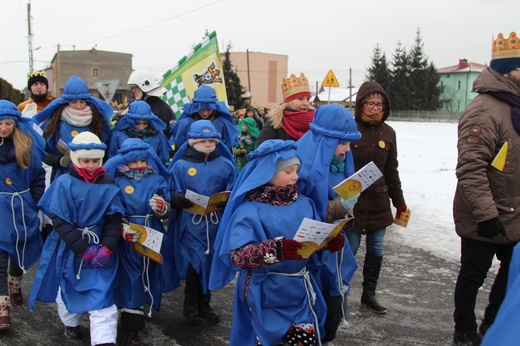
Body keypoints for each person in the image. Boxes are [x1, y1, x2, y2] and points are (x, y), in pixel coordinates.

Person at [210, 140, 346, 345]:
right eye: (288, 171)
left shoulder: (305, 203)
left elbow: (309, 243)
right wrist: (277, 250)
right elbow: (237, 256)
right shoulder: (249, 210)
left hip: (299, 290)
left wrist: (327, 242)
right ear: (266, 173)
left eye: (297, 170)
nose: (296, 176)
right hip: (263, 293)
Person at [452, 31, 520, 346]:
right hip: (485, 213)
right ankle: (464, 331)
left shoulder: (514, 105)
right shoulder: (484, 110)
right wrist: (486, 214)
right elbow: (470, 168)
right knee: (473, 276)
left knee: (512, 275)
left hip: (515, 212)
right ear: (509, 70)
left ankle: (492, 327)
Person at [29, 131, 123, 346]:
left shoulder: (108, 183)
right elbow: (61, 222)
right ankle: (71, 322)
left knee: (103, 294)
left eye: (95, 161)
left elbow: (114, 219)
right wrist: (82, 249)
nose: (91, 165)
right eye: (85, 160)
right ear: (75, 159)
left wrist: (107, 248)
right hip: (71, 249)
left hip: (100, 247)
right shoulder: (63, 183)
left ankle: (104, 340)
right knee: (69, 288)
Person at [295, 104, 361, 343]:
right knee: (312, 316)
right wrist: (335, 208)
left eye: (349, 144)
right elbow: (295, 210)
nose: (346, 150)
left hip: (332, 251)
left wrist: (347, 209)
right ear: (325, 139)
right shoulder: (301, 165)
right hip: (308, 257)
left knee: (330, 318)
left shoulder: (339, 162)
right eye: (342, 143)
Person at [104, 138, 179, 345]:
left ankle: (144, 305)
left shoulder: (156, 180)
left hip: (152, 232)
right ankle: (131, 326)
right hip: (129, 235)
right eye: (134, 162)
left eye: (143, 161)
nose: (139, 166)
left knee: (151, 270)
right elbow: (112, 209)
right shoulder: (116, 182)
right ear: (124, 162)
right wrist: (121, 227)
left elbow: (166, 207)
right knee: (130, 276)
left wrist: (162, 208)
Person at [345, 81, 407, 316]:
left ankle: (369, 294)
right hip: (353, 202)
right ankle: (340, 292)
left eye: (379, 103)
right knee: (349, 250)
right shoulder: (350, 129)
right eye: (370, 103)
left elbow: (392, 170)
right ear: (361, 104)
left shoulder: (389, 133)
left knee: (377, 249)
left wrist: (399, 203)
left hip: (379, 202)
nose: (375, 107)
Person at [168, 120, 238, 324]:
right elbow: (170, 189)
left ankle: (205, 303)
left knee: (209, 264)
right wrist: (177, 198)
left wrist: (227, 201)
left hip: (215, 225)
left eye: (211, 140)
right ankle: (190, 304)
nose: (207, 144)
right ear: (192, 142)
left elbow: (234, 188)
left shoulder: (226, 164)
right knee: (195, 263)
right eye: (203, 140)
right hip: (190, 225)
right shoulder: (181, 165)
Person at [0, 100, 46, 330]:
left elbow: (37, 176)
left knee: (19, 249)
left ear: (15, 123)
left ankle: (14, 282)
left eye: (8, 122)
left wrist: (36, 203)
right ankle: (2, 309)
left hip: (21, 205)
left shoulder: (25, 145)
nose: (3, 127)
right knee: (0, 258)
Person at [34, 75, 113, 182]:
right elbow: (43, 152)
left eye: (82, 101)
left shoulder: (98, 122)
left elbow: (107, 151)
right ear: (66, 102)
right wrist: (59, 160)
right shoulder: (54, 123)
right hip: (63, 176)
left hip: (92, 177)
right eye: (74, 102)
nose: (79, 106)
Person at [170, 85, 238, 151]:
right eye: (202, 109)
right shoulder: (185, 123)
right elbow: (180, 147)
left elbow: (227, 147)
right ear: (196, 107)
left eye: (209, 109)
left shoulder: (223, 124)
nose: (205, 113)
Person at [257, 73, 315, 145]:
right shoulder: (276, 121)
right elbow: (262, 148)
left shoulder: (315, 120)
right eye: (300, 99)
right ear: (289, 101)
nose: (306, 103)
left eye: (308, 99)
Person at [107, 100, 171, 165]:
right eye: (137, 123)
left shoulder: (158, 137)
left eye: (145, 123)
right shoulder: (118, 136)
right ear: (130, 121)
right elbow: (112, 160)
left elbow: (163, 160)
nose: (141, 127)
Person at [125, 69, 176, 139]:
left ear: (145, 86)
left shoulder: (162, 108)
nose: (133, 90)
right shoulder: (133, 105)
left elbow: (170, 134)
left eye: (136, 87)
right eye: (132, 87)